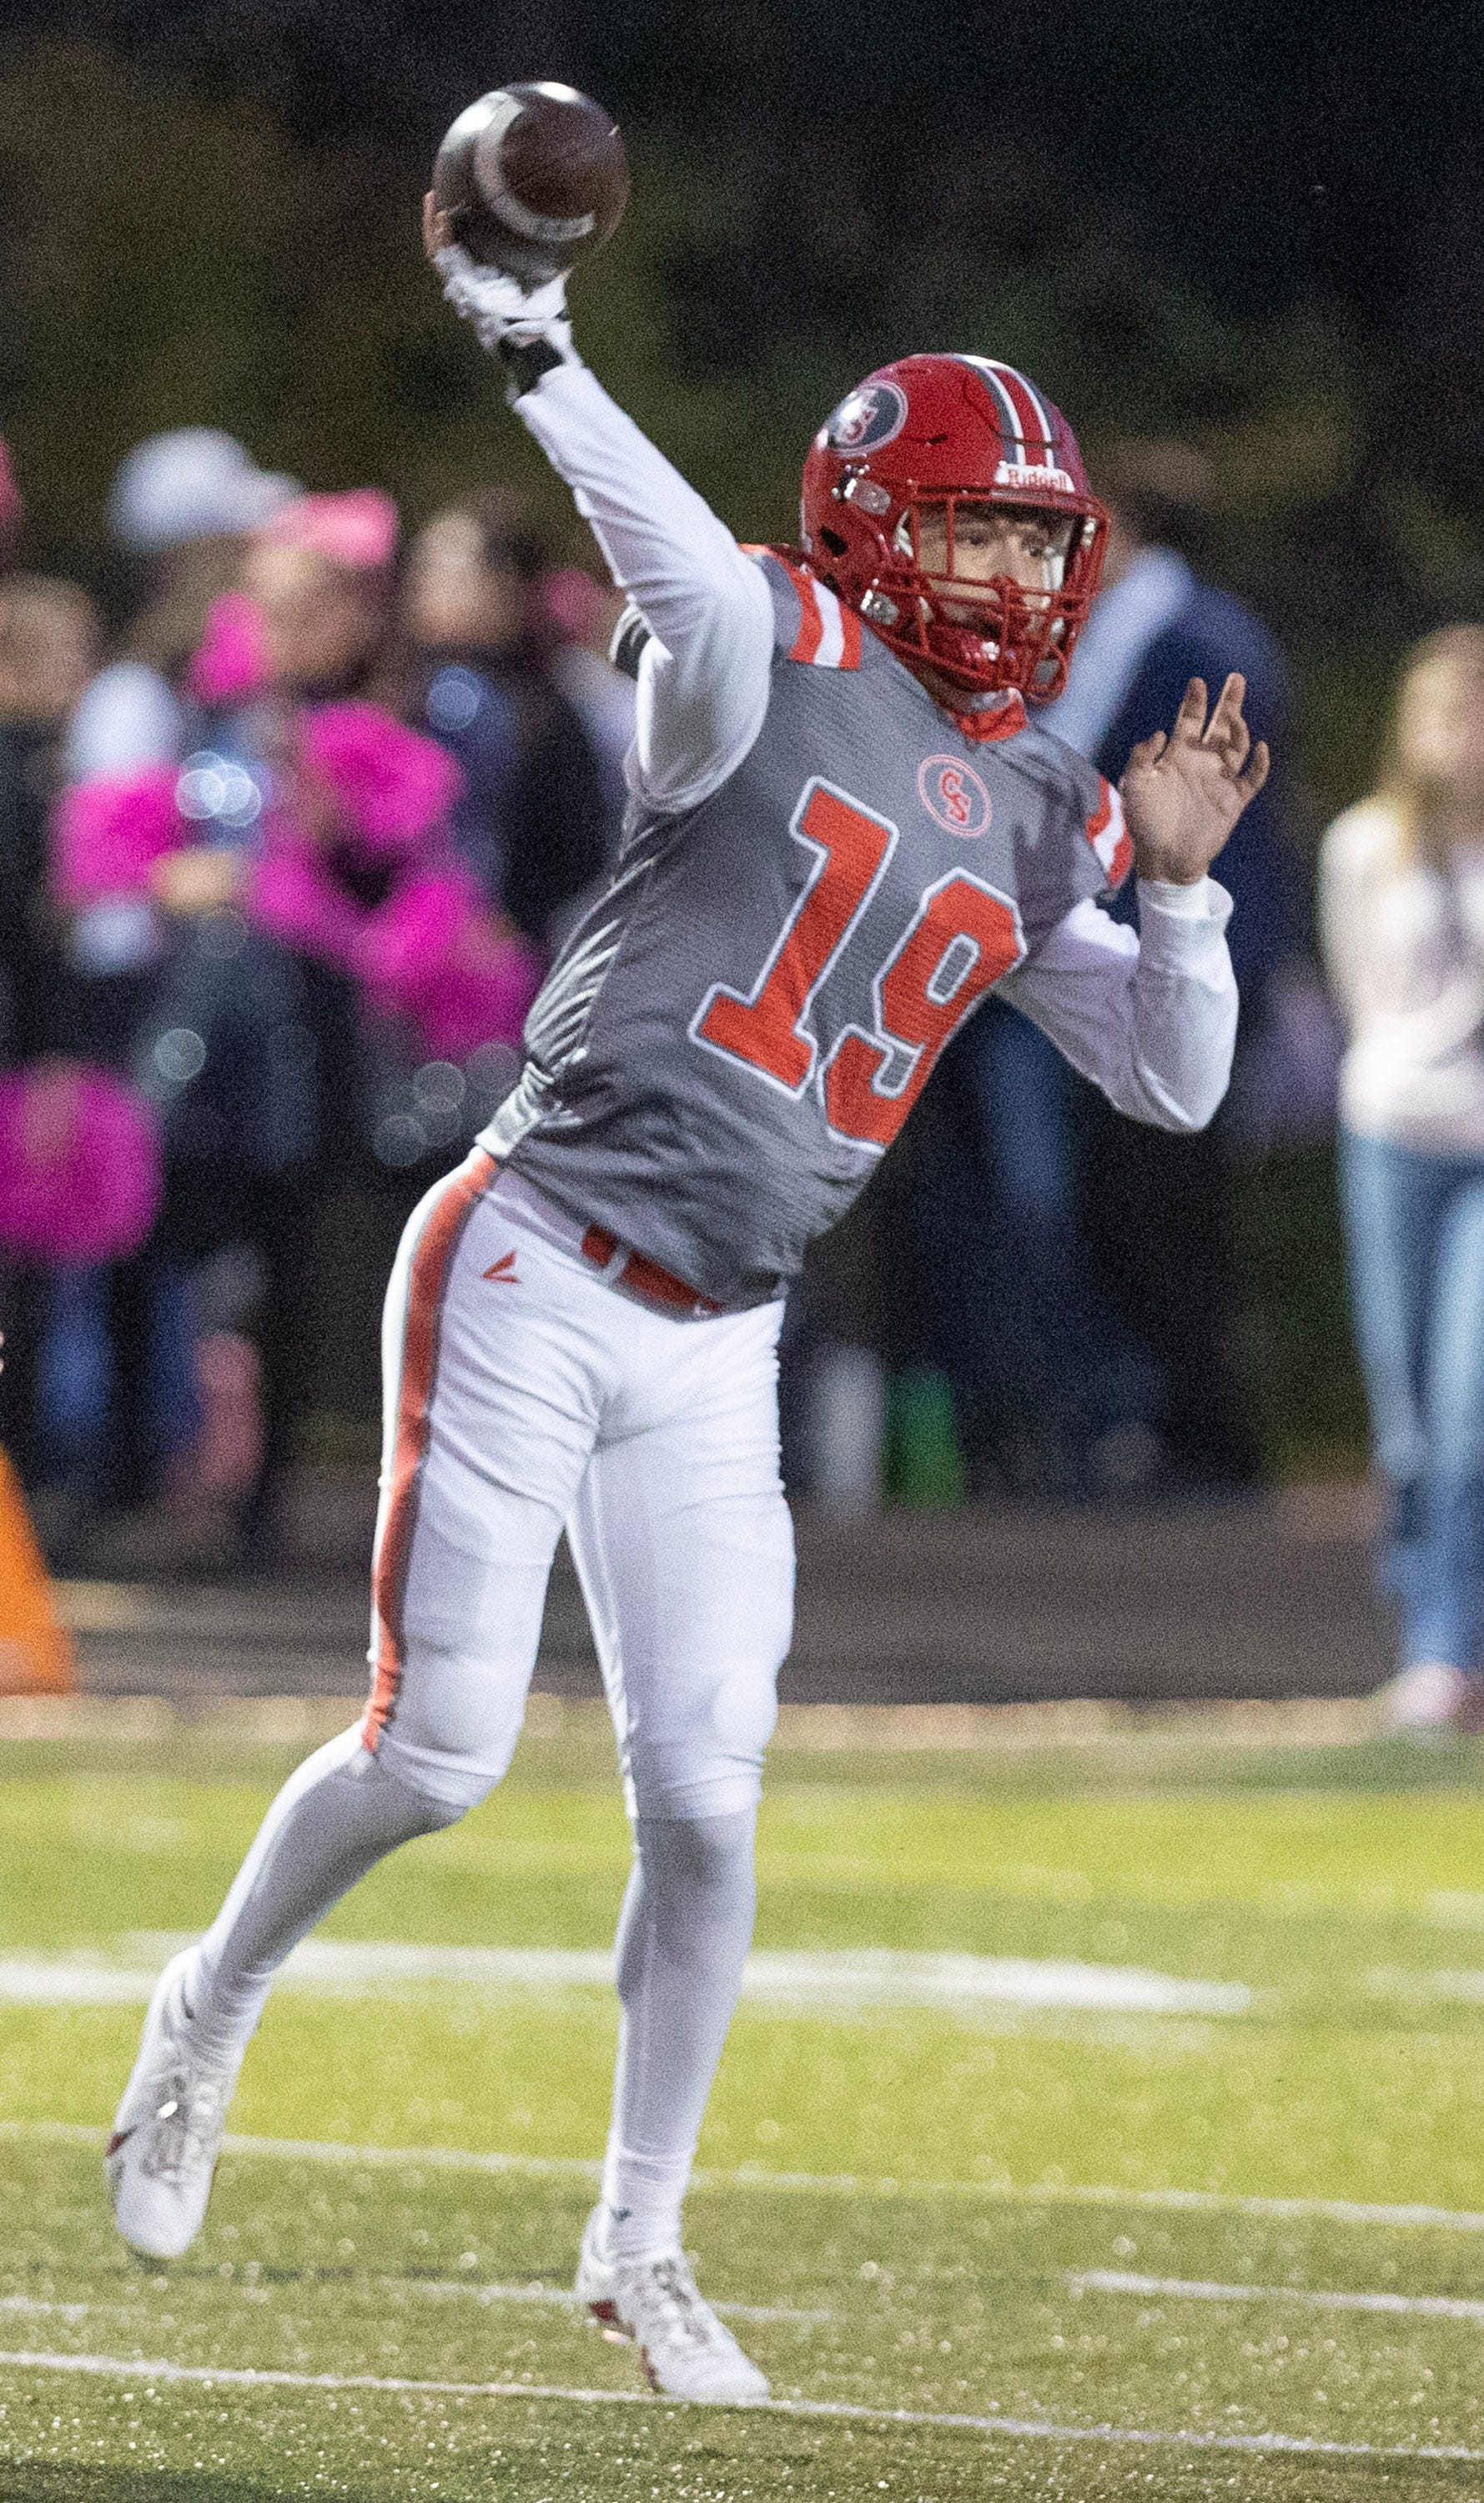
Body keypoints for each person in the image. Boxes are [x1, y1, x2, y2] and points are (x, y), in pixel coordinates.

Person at [103, 211, 1267, 2402]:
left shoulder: (1034, 800)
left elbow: (1176, 1084)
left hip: (721, 1331)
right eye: (978, 537)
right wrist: (531, 347)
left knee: (709, 1801)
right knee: (434, 1753)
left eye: (1043, 544)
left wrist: (1182, 887)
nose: (1021, 583)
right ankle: (204, 2016)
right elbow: (658, 547)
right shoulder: (753, 644)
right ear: (871, 528)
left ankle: (639, 2242)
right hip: (536, 1255)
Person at [1320, 627, 1484, 1735]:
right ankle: (1422, 1629)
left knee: (1469, 1405)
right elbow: (1355, 997)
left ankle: (1447, 1650)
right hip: (1391, 1133)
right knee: (1408, 1422)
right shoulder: (1362, 846)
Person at [403, 493, 611, 951]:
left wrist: (511, 917)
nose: (422, 581)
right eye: (421, 564)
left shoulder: (544, 708)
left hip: (498, 963)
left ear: (507, 589)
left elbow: (579, 849)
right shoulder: (394, 686)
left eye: (445, 569)